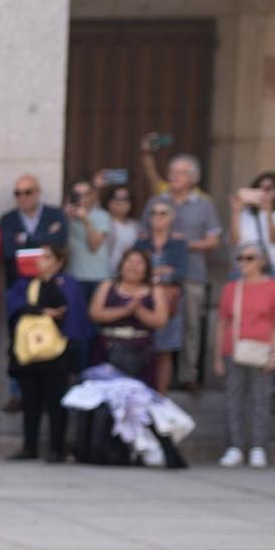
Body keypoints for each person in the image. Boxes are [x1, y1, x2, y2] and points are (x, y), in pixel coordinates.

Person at [142, 149, 222, 386]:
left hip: (192, 274)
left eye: (180, 173)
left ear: (193, 178)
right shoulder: (157, 201)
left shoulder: (205, 205)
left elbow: (214, 240)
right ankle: (152, 376)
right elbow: (142, 232)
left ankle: (188, 375)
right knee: (155, 324)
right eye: (172, 172)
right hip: (158, 274)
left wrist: (184, 244)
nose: (174, 177)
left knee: (190, 326)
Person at [5, 244, 87, 463]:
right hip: (29, 350)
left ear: (58, 262)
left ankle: (57, 448)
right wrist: (41, 311)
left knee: (56, 402)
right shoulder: (24, 283)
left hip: (57, 351)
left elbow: (69, 312)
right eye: (38, 257)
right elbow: (15, 307)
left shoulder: (67, 283)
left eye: (47, 257)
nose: (41, 261)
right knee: (30, 401)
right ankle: (29, 446)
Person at [214, 242, 275, 468]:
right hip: (233, 349)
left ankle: (258, 447)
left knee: (260, 399)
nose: (244, 263)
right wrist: (217, 356)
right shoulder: (231, 288)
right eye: (240, 258)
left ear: (262, 262)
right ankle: (234, 446)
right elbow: (222, 323)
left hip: (262, 349)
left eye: (250, 258)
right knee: (233, 399)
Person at [134, 196, 192, 393]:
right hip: (143, 300)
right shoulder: (141, 242)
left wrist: (153, 273)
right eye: (153, 213)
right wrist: (162, 271)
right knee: (142, 349)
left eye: (162, 213)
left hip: (169, 302)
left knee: (164, 352)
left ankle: (161, 397)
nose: (157, 217)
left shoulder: (178, 244)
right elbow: (135, 271)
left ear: (171, 217)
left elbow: (180, 272)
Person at [89, 247, 172, 381]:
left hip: (141, 351)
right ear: (121, 266)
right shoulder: (108, 285)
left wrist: (139, 310)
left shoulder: (155, 289)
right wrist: (124, 311)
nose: (133, 266)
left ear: (146, 269)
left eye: (139, 262)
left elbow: (161, 321)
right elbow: (95, 314)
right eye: (129, 261)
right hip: (107, 347)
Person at [0, 174, 67, 291]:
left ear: (38, 192)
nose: (22, 197)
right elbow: (8, 251)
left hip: (51, 284)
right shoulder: (7, 219)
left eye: (27, 192)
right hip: (18, 285)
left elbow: (59, 243)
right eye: (18, 193)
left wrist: (25, 239)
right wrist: (45, 239)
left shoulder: (55, 214)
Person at [65, 178, 114, 288]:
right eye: (78, 195)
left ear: (92, 196)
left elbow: (94, 246)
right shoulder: (66, 216)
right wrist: (65, 218)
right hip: (74, 275)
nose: (82, 198)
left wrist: (85, 220)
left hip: (98, 276)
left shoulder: (102, 215)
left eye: (86, 194)